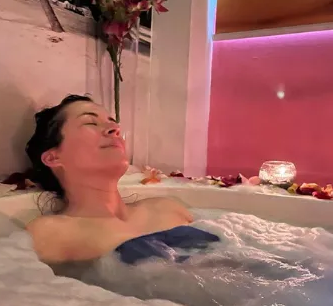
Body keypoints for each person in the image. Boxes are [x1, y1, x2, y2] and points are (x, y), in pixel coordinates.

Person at [26, 95, 219, 264]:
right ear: (53, 158)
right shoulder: (52, 233)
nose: (114, 128)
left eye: (112, 122)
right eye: (90, 123)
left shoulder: (166, 207)